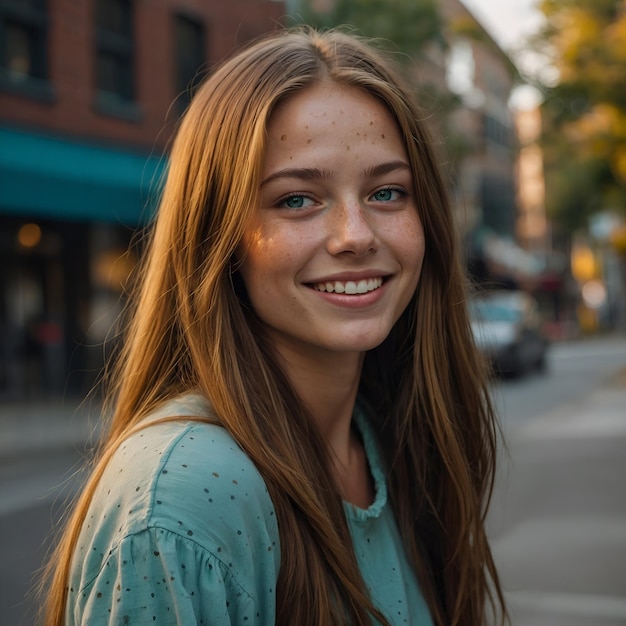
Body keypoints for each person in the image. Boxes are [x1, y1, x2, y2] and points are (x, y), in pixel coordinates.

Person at [42, 27, 507, 626]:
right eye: (297, 200)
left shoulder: (390, 439)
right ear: (220, 235)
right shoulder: (185, 493)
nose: (356, 235)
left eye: (387, 192)